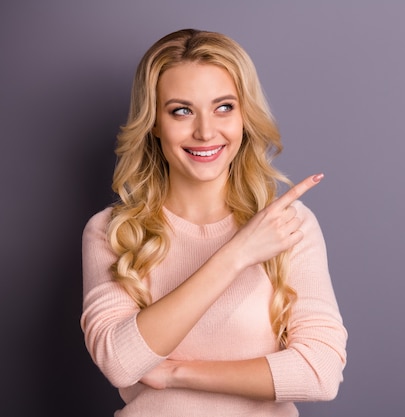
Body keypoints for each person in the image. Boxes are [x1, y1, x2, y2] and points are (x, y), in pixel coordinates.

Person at [80, 28, 347, 417]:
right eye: (181, 110)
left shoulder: (288, 226)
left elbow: (320, 373)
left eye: (224, 107)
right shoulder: (112, 231)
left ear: (244, 115)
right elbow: (119, 362)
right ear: (153, 121)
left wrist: (178, 374)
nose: (206, 131)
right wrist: (235, 256)